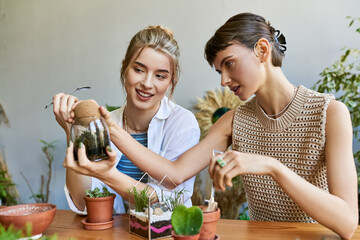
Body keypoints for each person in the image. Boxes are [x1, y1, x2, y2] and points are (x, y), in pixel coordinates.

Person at [64, 13, 358, 239]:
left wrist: (272, 166)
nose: (224, 80)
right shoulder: (235, 121)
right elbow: (175, 173)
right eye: (219, 70)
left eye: (229, 64)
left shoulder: (330, 113)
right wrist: (112, 130)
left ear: (263, 50)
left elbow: (347, 223)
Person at [52, 25, 200, 214]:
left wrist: (107, 175)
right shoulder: (104, 123)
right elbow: (83, 202)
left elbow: (167, 202)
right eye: (139, 70)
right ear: (124, 67)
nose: (147, 84)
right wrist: (73, 131)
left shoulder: (182, 123)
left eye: (160, 76)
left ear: (171, 80)